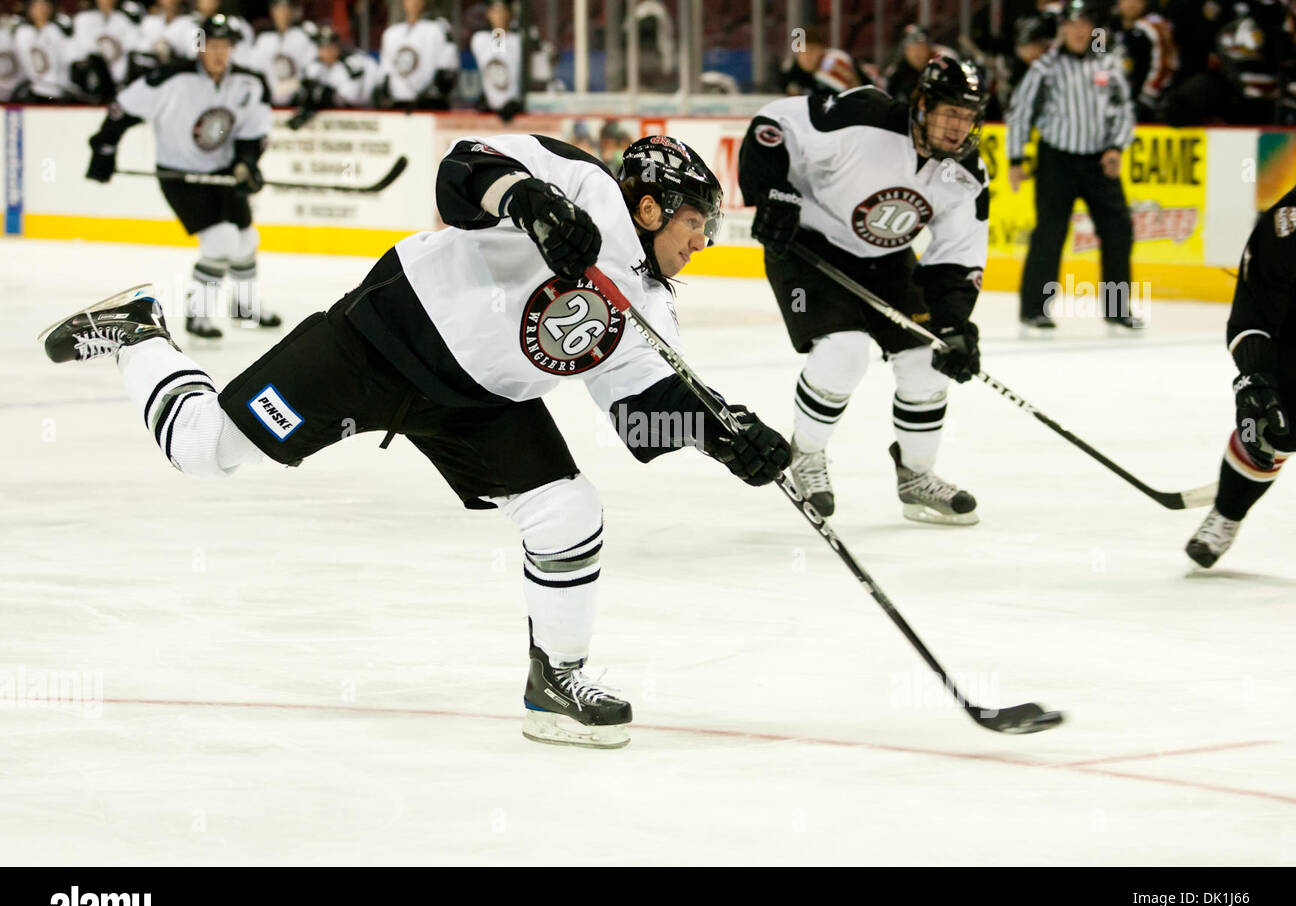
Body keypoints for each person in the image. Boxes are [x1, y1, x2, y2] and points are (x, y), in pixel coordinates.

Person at [40, 133, 791, 750]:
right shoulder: (585, 186)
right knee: (204, 449)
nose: (703, 243)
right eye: (698, 223)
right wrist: (524, 198)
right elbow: (463, 168)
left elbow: (635, 412)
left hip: (481, 404)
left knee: (569, 509)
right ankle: (140, 332)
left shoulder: (651, 309)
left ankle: (555, 679)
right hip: (380, 340)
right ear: (653, 205)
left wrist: (719, 434)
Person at [739, 55, 989, 525]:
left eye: (969, 115)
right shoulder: (863, 117)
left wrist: (954, 324)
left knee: (927, 359)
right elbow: (771, 126)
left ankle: (917, 476)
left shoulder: (967, 173)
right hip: (809, 247)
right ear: (923, 104)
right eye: (950, 112)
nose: (960, 127)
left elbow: (957, 255)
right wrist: (771, 192)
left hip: (889, 261)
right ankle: (807, 454)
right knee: (845, 351)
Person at [85, 14, 282, 338]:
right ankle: (198, 315)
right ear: (200, 49)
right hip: (179, 174)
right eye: (212, 46)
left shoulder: (249, 82)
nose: (218, 54)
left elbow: (254, 133)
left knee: (247, 239)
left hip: (223, 171)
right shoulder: (169, 79)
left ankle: (245, 306)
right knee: (221, 241)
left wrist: (247, 164)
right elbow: (123, 109)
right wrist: (104, 149)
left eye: (224, 46)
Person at [1185, 183, 1296, 567]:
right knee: (1273, 423)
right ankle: (1228, 512)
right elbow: (1253, 313)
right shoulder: (1288, 225)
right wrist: (1255, 380)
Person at [1007, 0, 1139, 334]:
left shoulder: (1107, 63)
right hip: (1057, 159)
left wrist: (1115, 146)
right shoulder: (1045, 67)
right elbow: (1020, 111)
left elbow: (1124, 109)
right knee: (1049, 233)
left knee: (1118, 231)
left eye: (1085, 24)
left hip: (1099, 161)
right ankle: (1034, 309)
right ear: (1062, 28)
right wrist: (1016, 158)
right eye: (1073, 24)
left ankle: (1117, 307)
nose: (1079, 31)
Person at [290, 25, 379, 127]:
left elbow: (351, 98)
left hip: (359, 118)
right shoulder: (313, 67)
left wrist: (321, 95)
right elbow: (305, 94)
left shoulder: (351, 64)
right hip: (330, 123)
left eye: (331, 46)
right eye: (323, 47)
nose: (327, 51)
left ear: (337, 47)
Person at [377, 0, 458, 109]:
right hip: (398, 103)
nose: (413, 3)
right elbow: (386, 71)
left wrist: (433, 93)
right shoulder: (391, 33)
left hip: (430, 105)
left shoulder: (439, 28)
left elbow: (448, 67)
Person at [1111, 0, 1178, 121]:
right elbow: (1096, 59)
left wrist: (1147, 97)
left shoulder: (1155, 25)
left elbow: (1165, 65)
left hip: (1147, 100)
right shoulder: (1105, 27)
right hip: (1114, 97)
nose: (1132, 4)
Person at [249, 0, 316, 106]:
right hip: (271, 100)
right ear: (272, 12)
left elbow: (312, 67)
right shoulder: (264, 39)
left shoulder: (302, 36)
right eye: (278, 10)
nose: (283, 14)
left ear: (292, 12)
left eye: (286, 10)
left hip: (298, 100)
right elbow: (254, 67)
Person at [71, 0, 143, 94]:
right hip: (95, 77)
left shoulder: (124, 19)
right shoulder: (83, 19)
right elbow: (85, 49)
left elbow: (133, 46)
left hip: (120, 77)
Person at [779, 24, 869, 98]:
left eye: (811, 51)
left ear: (822, 50)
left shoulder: (833, 62)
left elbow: (858, 96)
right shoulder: (793, 70)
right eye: (801, 52)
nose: (806, 57)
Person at [12, 0, 77, 102]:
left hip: (60, 91)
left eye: (45, 6)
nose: (41, 11)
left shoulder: (56, 30)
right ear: (29, 9)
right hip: (34, 90)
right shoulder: (22, 33)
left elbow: (71, 56)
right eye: (37, 7)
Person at [470, 0, 522, 121]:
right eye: (495, 11)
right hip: (491, 108)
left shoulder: (518, 40)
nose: (499, 15)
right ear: (488, 13)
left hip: (515, 109)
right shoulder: (479, 39)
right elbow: (498, 55)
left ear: (510, 13)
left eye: (503, 11)